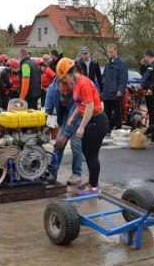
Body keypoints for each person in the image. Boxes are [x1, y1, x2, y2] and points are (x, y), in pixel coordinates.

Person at [56, 58, 109, 195]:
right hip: (92, 120)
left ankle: (94, 187)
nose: (65, 81)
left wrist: (81, 127)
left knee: (91, 154)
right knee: (87, 152)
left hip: (97, 121)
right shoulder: (77, 83)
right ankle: (92, 183)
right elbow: (80, 105)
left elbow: (90, 107)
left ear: (71, 73)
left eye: (65, 77)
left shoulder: (83, 83)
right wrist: (73, 118)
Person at [45, 77, 83, 185]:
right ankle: (52, 172)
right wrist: (46, 127)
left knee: (75, 144)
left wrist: (66, 135)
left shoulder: (76, 89)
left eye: (67, 90)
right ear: (57, 86)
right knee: (58, 145)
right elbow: (48, 110)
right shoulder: (52, 89)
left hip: (77, 113)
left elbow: (74, 114)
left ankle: (77, 173)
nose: (65, 92)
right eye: (62, 90)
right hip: (64, 115)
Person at [102, 44, 128, 131]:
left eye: (111, 52)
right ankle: (107, 128)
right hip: (107, 92)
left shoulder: (122, 63)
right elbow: (104, 76)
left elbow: (123, 78)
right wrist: (102, 89)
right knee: (106, 112)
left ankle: (118, 129)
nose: (110, 54)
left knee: (117, 112)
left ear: (116, 51)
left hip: (116, 92)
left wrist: (120, 89)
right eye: (109, 52)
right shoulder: (107, 63)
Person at [139, 49, 154, 136]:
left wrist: (151, 88)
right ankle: (151, 128)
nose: (144, 58)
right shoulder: (150, 65)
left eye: (144, 56)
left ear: (148, 56)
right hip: (148, 92)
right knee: (150, 111)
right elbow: (144, 74)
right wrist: (142, 65)